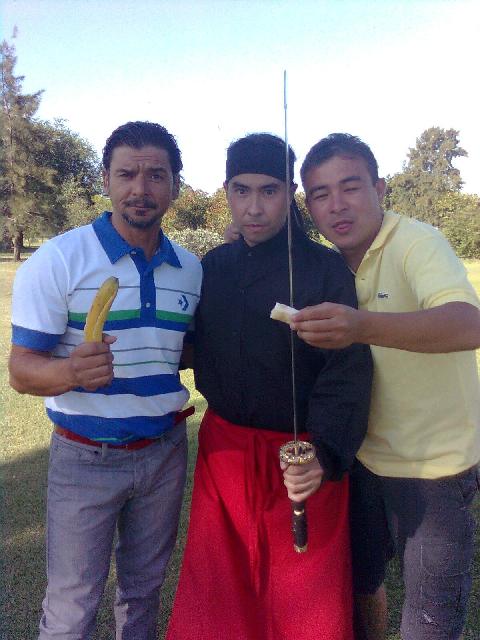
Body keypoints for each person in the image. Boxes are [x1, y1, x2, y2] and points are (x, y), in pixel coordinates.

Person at [166, 133, 373, 640]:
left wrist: (324, 452)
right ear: (226, 191)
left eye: (269, 191)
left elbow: (346, 371)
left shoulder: (324, 268)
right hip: (225, 455)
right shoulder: (213, 267)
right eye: (241, 190)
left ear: (289, 194)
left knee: (305, 599)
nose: (254, 207)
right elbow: (188, 345)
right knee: (221, 593)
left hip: (301, 459)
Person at [8, 121, 203, 640]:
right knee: (72, 605)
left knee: (143, 592)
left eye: (156, 175)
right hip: (83, 456)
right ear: (105, 180)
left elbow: (183, 350)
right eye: (127, 174)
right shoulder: (59, 259)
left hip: (164, 453)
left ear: (176, 184)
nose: (141, 188)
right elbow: (21, 370)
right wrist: (70, 372)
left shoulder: (190, 270)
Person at [291, 133, 480, 640]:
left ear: (379, 188)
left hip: (433, 468)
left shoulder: (416, 242)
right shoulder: (329, 263)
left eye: (350, 187)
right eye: (320, 194)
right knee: (360, 585)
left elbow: (469, 324)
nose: (337, 205)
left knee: (428, 618)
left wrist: (362, 326)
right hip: (363, 458)